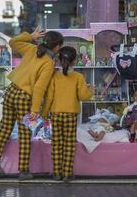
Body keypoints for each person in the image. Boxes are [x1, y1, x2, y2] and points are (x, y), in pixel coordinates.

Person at [0, 28, 63, 180]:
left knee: (5, 128)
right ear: (57, 47)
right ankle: (23, 171)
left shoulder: (32, 48)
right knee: (25, 133)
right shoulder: (49, 63)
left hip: (10, 91)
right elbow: (39, 88)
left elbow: (12, 41)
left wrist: (30, 36)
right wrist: (36, 110)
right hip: (24, 97)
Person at [41, 46, 93, 182]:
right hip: (71, 114)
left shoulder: (54, 76)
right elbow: (83, 96)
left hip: (56, 114)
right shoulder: (78, 77)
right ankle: (67, 173)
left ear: (58, 61)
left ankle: (56, 172)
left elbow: (49, 97)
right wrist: (90, 91)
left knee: (56, 144)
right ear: (75, 61)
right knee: (69, 144)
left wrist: (44, 113)